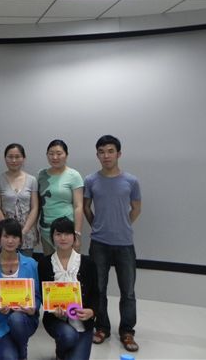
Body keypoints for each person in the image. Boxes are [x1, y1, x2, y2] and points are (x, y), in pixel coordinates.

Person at [83, 135, 142, 352]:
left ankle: (127, 331)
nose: (106, 155)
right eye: (101, 151)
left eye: (110, 151)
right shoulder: (91, 180)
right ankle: (102, 327)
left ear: (119, 154)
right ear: (97, 155)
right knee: (99, 289)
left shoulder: (131, 181)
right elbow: (86, 207)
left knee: (128, 291)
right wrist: (97, 225)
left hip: (125, 244)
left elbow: (136, 208)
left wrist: (122, 225)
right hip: (99, 243)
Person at [38, 217, 98, 360]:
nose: (63, 238)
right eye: (58, 234)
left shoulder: (88, 263)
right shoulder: (44, 264)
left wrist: (92, 311)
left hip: (83, 323)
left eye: (67, 234)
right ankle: (61, 352)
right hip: (56, 321)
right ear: (52, 237)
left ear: (74, 237)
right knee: (68, 336)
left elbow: (97, 293)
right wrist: (53, 310)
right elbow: (43, 294)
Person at [0, 218, 41, 360]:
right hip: (1, 321)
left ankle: (22, 351)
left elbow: (37, 294)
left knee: (16, 319)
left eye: (14, 237)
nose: (10, 241)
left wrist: (33, 308)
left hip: (24, 319)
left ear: (20, 240)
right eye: (6, 236)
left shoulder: (31, 264)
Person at [0, 143, 39, 257]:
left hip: (26, 233)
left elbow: (35, 208)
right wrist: (7, 231)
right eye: (10, 157)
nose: (14, 160)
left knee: (25, 265)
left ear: (24, 158)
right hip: (4, 233)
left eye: (17, 157)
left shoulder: (32, 180)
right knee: (3, 265)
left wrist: (23, 232)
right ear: (5, 158)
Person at [37, 139, 84, 255]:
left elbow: (78, 206)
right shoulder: (41, 175)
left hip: (66, 231)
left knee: (68, 264)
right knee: (49, 263)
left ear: (66, 155)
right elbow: (37, 204)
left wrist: (77, 234)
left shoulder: (74, 175)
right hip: (46, 230)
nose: (55, 157)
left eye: (59, 153)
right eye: (51, 154)